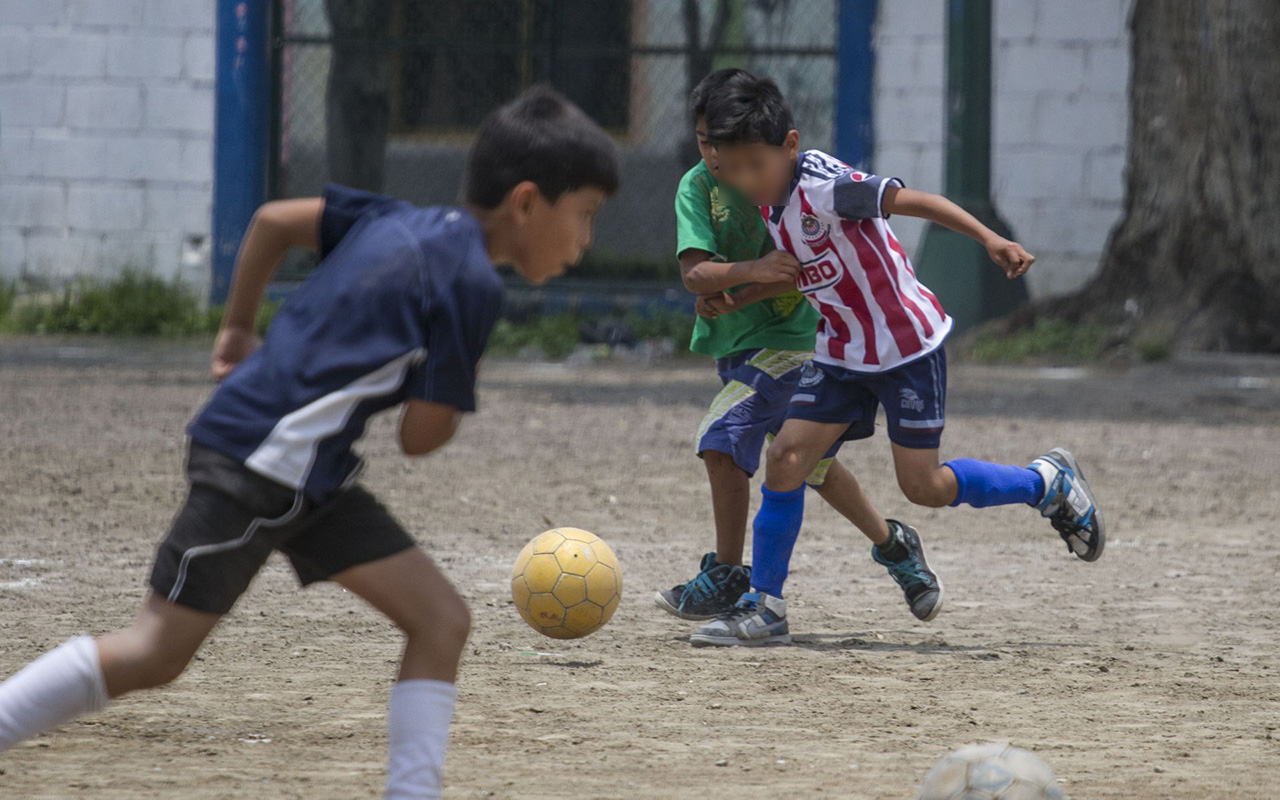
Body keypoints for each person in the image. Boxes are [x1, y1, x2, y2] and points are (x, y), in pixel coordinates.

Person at [0, 86, 619, 799]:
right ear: (526, 203)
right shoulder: (472, 285)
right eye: (586, 215)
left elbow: (271, 222)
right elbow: (422, 438)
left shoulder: (396, 218)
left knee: (440, 619)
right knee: (154, 651)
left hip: (309, 470)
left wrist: (236, 327)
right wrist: (463, 372)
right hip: (264, 464)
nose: (586, 240)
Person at [689, 72, 1104, 647]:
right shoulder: (771, 200)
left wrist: (989, 240)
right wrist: (741, 293)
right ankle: (766, 606)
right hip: (841, 353)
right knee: (786, 457)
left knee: (925, 486)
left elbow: (917, 202)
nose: (743, 180)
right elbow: (809, 269)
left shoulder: (828, 188)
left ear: (789, 145)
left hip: (906, 348)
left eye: (753, 165)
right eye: (731, 169)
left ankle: (1046, 483)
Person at [657, 69, 938, 631]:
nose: (718, 157)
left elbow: (806, 267)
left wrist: (746, 282)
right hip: (736, 346)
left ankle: (732, 573)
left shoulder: (777, 178)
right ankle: (894, 545)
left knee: (722, 436)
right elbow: (696, 273)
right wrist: (737, 283)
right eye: (706, 143)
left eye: (725, 142)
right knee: (809, 466)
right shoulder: (698, 188)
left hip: (797, 342)